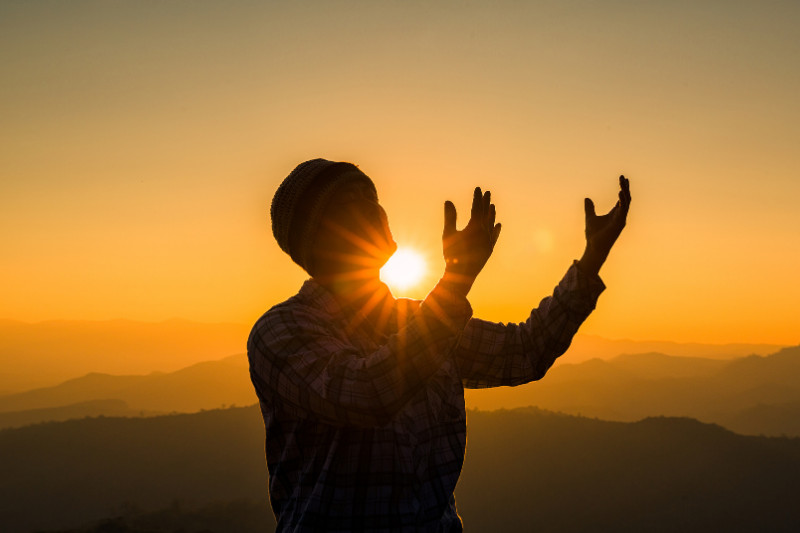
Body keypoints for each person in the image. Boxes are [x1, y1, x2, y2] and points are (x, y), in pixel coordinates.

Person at [248, 158, 631, 532]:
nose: (376, 210)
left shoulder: (419, 320)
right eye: (355, 201)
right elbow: (368, 392)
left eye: (374, 197)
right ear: (318, 233)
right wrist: (457, 279)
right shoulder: (281, 331)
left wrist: (592, 257)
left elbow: (524, 351)